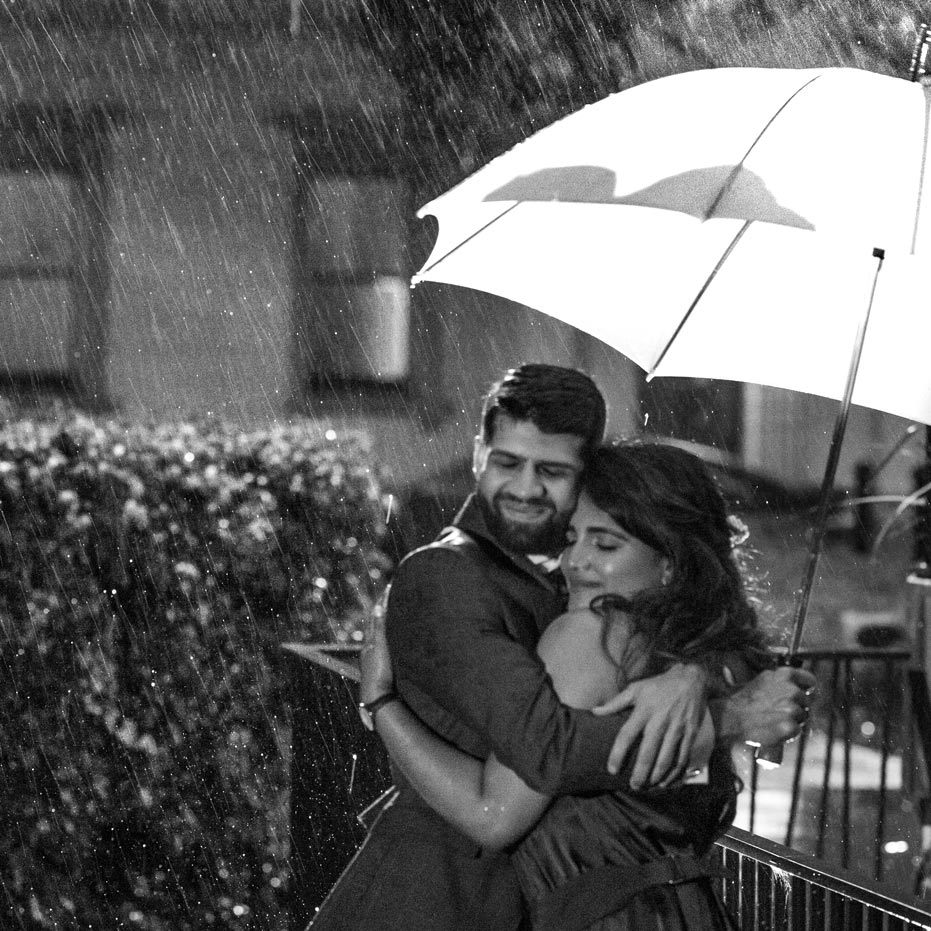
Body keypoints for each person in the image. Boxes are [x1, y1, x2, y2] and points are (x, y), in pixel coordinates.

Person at [308, 364, 814, 931]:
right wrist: (728, 716)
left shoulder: (600, 590)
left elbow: (723, 648)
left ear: (585, 473)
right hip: (439, 901)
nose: (526, 489)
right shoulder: (445, 576)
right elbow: (549, 746)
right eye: (507, 463)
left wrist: (692, 676)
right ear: (477, 455)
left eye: (551, 471)